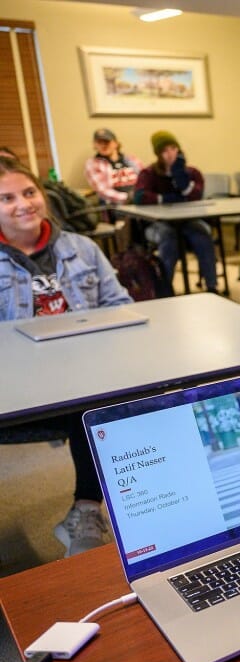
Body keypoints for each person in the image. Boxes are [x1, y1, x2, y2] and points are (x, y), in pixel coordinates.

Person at [0, 158, 133, 556]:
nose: (23, 204)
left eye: (29, 192)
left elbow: (120, 304)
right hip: (16, 386)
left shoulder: (82, 249)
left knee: (101, 401)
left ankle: (87, 509)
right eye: (6, 198)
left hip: (82, 376)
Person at [133, 130, 219, 293]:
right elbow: (139, 197)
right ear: (158, 154)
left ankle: (212, 286)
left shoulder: (192, 173)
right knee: (169, 239)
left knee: (202, 235)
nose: (170, 153)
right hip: (158, 223)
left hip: (187, 220)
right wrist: (165, 199)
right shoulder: (149, 173)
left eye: (173, 148)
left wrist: (181, 178)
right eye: (165, 150)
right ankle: (165, 290)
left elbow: (196, 195)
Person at [83, 127, 142, 220]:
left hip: (139, 199)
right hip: (116, 205)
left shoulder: (132, 160)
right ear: (94, 145)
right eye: (99, 142)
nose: (103, 145)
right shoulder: (93, 164)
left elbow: (145, 179)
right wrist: (128, 199)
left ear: (116, 143)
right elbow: (103, 191)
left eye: (106, 142)